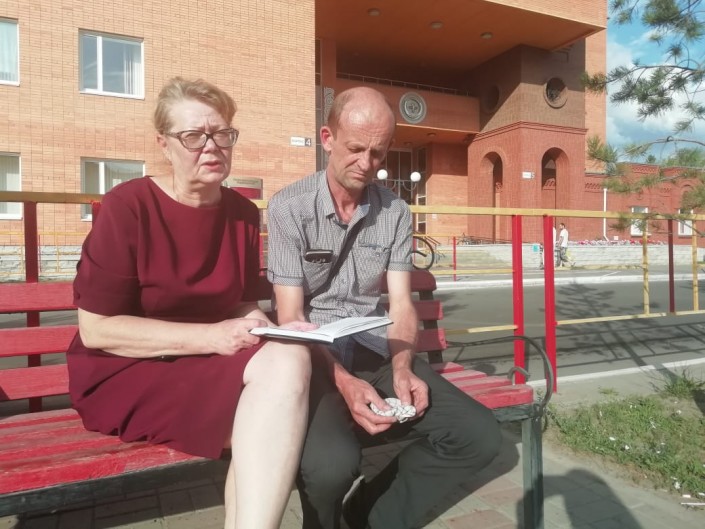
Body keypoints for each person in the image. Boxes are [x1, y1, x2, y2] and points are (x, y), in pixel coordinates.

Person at [67, 77, 314, 529]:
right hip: (128, 368)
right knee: (266, 425)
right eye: (194, 136)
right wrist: (212, 337)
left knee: (290, 357)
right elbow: (97, 329)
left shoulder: (242, 213)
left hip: (205, 362)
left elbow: (240, 303)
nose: (212, 146)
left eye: (222, 134)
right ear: (164, 144)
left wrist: (270, 327)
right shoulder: (128, 206)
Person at [266, 86, 501, 529]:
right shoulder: (288, 208)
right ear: (327, 138)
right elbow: (291, 319)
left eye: (378, 152)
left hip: (374, 349)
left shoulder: (394, 212)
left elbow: (401, 303)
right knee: (332, 468)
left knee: (478, 436)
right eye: (355, 148)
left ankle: (369, 515)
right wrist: (344, 382)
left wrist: (402, 368)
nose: (366, 163)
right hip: (313, 359)